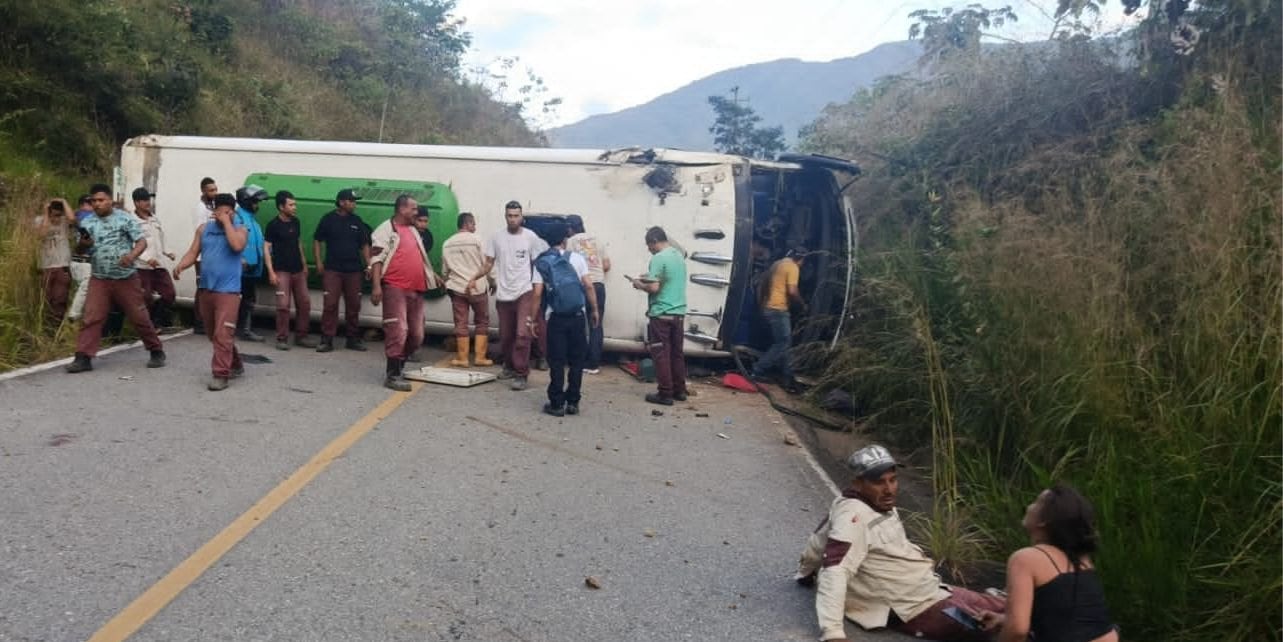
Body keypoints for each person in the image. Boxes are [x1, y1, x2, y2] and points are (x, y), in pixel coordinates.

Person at [795, 445, 1006, 642]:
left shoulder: (877, 504)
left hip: (934, 588)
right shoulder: (854, 517)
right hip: (913, 607)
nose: (889, 489)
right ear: (857, 483)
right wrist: (833, 633)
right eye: (879, 482)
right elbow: (836, 569)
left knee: (1008, 607)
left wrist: (806, 571)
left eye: (893, 480)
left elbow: (820, 538)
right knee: (1004, 630)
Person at [973, 487, 1119, 642]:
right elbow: (1068, 617)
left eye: (1036, 502)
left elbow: (1017, 630)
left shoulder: (1025, 558)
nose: (1029, 506)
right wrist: (1004, 619)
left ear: (1044, 521)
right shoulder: (1082, 559)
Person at [65, 184, 167, 373]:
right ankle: (83, 357)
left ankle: (156, 350)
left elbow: (141, 241)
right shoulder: (88, 223)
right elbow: (79, 251)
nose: (97, 204)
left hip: (125, 278)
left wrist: (131, 256)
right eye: (94, 201)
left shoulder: (124, 219)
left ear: (110, 200)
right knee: (92, 317)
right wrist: (83, 245)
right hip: (100, 277)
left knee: (139, 316)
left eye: (101, 200)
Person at [173, 193, 247, 391]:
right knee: (213, 334)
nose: (221, 214)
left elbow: (237, 245)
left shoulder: (240, 230)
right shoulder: (204, 229)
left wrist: (228, 223)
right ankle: (236, 363)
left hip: (229, 291)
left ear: (232, 211)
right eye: (218, 210)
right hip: (207, 288)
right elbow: (193, 252)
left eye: (226, 211)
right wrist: (182, 265)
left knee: (223, 333)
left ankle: (220, 374)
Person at [468, 200, 544, 391]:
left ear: (522, 217)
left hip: (524, 291)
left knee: (522, 334)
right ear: (505, 216)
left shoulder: (531, 237)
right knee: (507, 336)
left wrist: (539, 288)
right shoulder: (496, 237)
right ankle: (509, 367)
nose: (513, 219)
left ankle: (521, 374)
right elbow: (488, 263)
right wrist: (474, 278)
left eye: (516, 215)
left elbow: (538, 264)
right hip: (504, 294)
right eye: (509, 215)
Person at [370, 195, 439, 391]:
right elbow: (376, 260)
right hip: (395, 287)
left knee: (416, 335)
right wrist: (376, 286)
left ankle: (399, 365)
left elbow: (419, 257)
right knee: (398, 330)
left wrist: (431, 276)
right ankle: (392, 374)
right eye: (414, 209)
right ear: (402, 209)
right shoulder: (385, 230)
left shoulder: (412, 230)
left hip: (416, 289)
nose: (417, 213)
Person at [532, 222, 599, 416]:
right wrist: (594, 310)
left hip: (556, 318)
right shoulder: (577, 259)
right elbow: (588, 285)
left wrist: (532, 319)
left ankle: (556, 404)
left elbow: (537, 294)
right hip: (577, 316)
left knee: (557, 361)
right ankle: (573, 402)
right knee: (577, 360)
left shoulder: (542, 262)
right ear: (565, 239)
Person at [630, 226, 688, 405]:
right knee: (677, 354)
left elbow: (654, 288)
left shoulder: (658, 258)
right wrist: (650, 277)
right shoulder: (678, 256)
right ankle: (680, 390)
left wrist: (639, 284)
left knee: (661, 354)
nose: (649, 249)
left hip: (661, 314)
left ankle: (665, 393)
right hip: (678, 313)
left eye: (649, 246)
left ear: (655, 241)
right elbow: (668, 279)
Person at [313, 188, 371, 352]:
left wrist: (368, 265)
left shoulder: (357, 221)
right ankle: (327, 339)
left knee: (354, 305)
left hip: (353, 270)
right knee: (330, 304)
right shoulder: (328, 219)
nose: (354, 204)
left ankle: (352, 338)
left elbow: (364, 245)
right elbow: (317, 240)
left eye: (354, 201)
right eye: (351, 201)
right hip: (333, 269)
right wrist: (318, 262)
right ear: (341, 202)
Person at [264, 190, 317, 350]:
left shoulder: (296, 222)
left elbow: (298, 243)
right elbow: (266, 248)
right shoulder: (273, 225)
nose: (295, 207)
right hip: (282, 270)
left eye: (295, 204)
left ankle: (301, 336)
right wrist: (271, 271)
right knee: (283, 305)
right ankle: (282, 338)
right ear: (281, 207)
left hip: (298, 270)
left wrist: (304, 263)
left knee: (305, 303)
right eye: (291, 204)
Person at [752, 245, 807, 393]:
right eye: (803, 260)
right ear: (800, 259)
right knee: (782, 342)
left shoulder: (778, 263)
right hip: (778, 309)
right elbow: (792, 291)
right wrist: (803, 305)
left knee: (785, 342)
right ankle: (757, 370)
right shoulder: (793, 267)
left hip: (767, 307)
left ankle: (787, 376)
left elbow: (763, 283)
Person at [440, 212, 492, 367]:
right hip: (478, 287)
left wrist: (445, 281)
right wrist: (493, 281)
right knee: (482, 321)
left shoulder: (447, 243)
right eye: (473, 224)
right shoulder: (478, 240)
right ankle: (480, 357)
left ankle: (462, 358)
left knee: (461, 323)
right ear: (468, 224)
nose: (475, 227)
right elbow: (488, 264)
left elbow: (445, 270)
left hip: (457, 288)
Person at [565, 214, 610, 374]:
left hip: (581, 286)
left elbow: (568, 266)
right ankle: (593, 364)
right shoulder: (598, 239)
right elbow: (606, 265)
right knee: (596, 324)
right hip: (598, 285)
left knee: (578, 323)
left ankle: (577, 359)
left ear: (570, 228)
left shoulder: (570, 242)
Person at [130, 187, 177, 329]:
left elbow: (161, 238)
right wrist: (146, 258)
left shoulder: (154, 218)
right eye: (144, 200)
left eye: (148, 199)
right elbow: (132, 244)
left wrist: (167, 251)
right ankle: (148, 326)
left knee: (169, 293)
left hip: (158, 265)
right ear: (137, 203)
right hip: (142, 266)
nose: (147, 202)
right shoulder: (132, 222)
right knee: (146, 297)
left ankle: (158, 319)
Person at [232, 185, 269, 342]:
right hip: (241, 268)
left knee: (248, 299)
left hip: (251, 269)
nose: (257, 205)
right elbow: (233, 241)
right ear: (246, 201)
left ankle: (243, 328)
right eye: (255, 202)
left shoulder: (251, 220)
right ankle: (242, 330)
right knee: (240, 299)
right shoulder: (237, 218)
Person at [35, 198, 74, 325]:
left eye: (58, 215)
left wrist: (64, 201)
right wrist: (46, 213)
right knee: (46, 300)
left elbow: (72, 219)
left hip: (62, 266)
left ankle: (57, 327)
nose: (55, 219)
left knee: (60, 299)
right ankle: (46, 326)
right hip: (45, 266)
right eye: (53, 215)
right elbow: (42, 234)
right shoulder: (39, 220)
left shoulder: (64, 221)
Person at [191, 178, 218, 335]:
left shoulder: (212, 206)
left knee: (209, 287)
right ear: (203, 191)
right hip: (202, 255)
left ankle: (207, 319)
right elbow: (201, 231)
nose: (214, 193)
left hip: (211, 254)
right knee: (202, 287)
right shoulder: (200, 208)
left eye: (215, 189)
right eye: (211, 190)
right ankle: (198, 322)